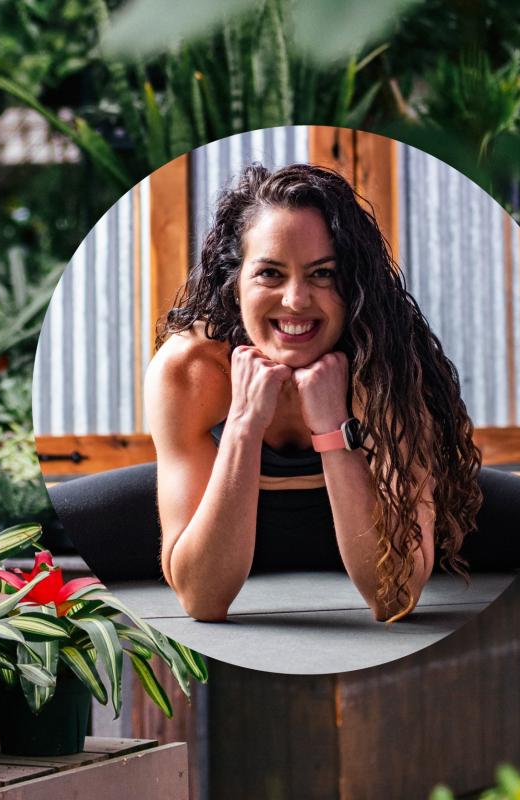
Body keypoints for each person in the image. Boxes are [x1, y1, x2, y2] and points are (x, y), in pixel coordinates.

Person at [145, 163, 482, 623]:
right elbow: (202, 600)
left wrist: (331, 429)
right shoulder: (192, 368)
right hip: (224, 527)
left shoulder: (388, 367)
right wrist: (244, 424)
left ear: (355, 285)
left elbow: (395, 597)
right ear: (234, 283)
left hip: (368, 520)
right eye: (270, 273)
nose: (297, 300)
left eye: (323, 274)